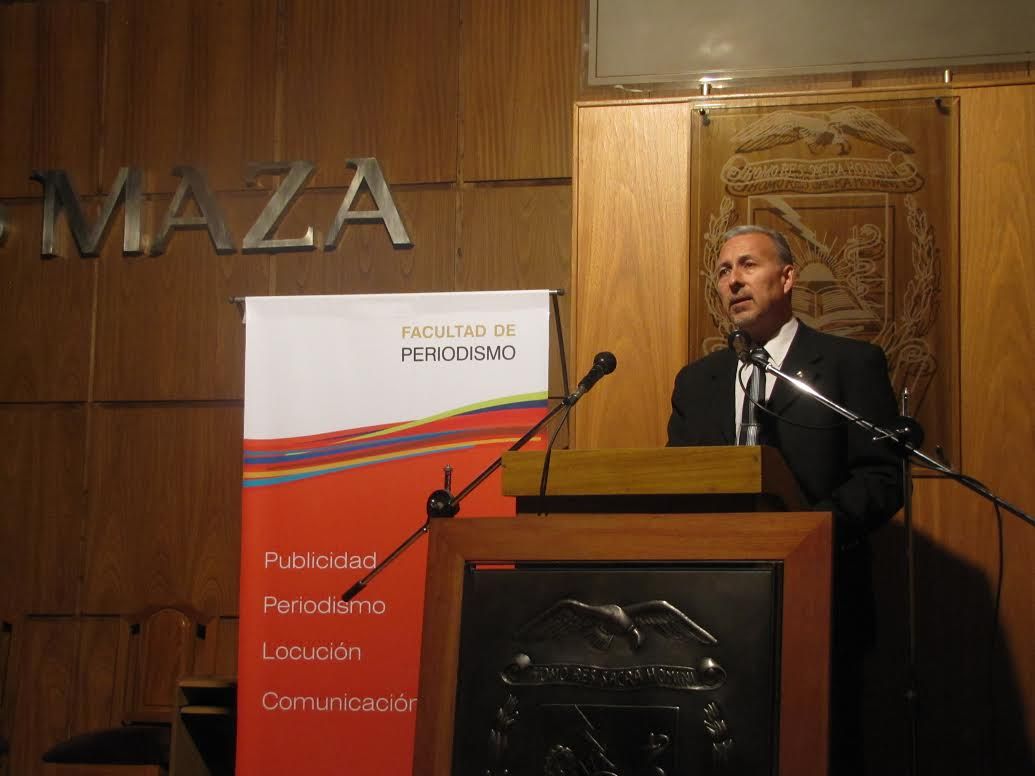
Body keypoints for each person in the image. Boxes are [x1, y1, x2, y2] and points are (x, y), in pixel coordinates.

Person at [667, 224, 904, 775]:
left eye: (748, 265)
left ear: (789, 276)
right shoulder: (697, 381)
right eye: (723, 271)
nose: (733, 281)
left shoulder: (849, 363)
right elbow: (680, 482)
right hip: (714, 605)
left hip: (822, 595)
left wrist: (806, 538)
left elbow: (880, 476)